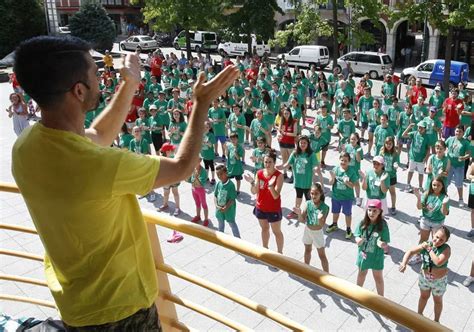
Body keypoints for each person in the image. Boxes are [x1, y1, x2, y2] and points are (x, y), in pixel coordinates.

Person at [11, 35, 239, 329]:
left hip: (75, 303)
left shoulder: (26, 146)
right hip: (122, 309)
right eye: (95, 73)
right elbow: (182, 167)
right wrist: (202, 103)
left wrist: (130, 84)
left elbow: (97, 136)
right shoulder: (100, 166)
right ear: (79, 91)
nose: (103, 77)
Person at [399, 226, 451, 322]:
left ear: (446, 241)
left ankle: (436, 321)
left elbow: (438, 262)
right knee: (423, 297)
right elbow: (410, 251)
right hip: (424, 278)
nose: (438, 240)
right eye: (437, 237)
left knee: (437, 301)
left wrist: (429, 249)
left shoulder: (446, 249)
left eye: (442, 240)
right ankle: (419, 315)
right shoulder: (427, 244)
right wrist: (404, 263)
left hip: (438, 281)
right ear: (433, 234)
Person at [244, 150, 284, 253]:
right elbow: (254, 191)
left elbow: (276, 196)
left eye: (270, 162)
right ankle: (265, 250)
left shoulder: (279, 176)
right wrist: (252, 182)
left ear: (274, 163)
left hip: (273, 209)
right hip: (261, 207)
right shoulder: (259, 173)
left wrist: (271, 186)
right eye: (266, 162)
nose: (267, 164)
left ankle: (280, 254)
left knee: (276, 232)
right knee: (264, 229)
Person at [277, 135, 323, 219]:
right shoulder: (295, 153)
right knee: (298, 196)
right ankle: (296, 211)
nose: (302, 144)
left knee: (309, 198)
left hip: (307, 182)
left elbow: (314, 165)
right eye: (301, 142)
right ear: (298, 143)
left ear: (308, 144)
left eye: (305, 143)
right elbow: (287, 164)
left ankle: (311, 213)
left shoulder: (311, 154)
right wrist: (279, 167)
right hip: (298, 181)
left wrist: (316, 168)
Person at [409, 177, 450, 265]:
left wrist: (444, 204)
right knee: (423, 239)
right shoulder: (427, 194)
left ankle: (434, 258)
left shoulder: (444, 197)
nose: (436, 187)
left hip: (438, 222)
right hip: (425, 220)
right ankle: (418, 256)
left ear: (443, 186)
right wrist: (419, 198)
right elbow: (419, 207)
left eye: (438, 185)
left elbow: (445, 213)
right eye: (434, 185)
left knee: (436, 241)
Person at [355, 199, 390, 296]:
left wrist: (382, 244)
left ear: (380, 212)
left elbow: (385, 242)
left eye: (375, 211)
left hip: (376, 256)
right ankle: (357, 294)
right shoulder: (362, 222)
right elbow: (357, 235)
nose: (371, 213)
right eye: (369, 210)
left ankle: (381, 299)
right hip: (363, 254)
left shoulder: (383, 225)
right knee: (361, 274)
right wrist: (358, 240)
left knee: (378, 277)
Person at [294, 183, 330, 272]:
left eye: (316, 194)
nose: (313, 196)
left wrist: (321, 218)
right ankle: (306, 269)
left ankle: (327, 274)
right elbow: (302, 219)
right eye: (312, 193)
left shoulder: (324, 207)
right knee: (307, 250)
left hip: (317, 233)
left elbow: (321, 225)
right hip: (308, 230)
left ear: (321, 194)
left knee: (322, 255)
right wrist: (299, 213)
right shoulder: (307, 203)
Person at [326, 152, 358, 239]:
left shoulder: (351, 172)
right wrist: (332, 177)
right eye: (342, 160)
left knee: (347, 214)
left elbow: (353, 185)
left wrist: (347, 182)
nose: (343, 162)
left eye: (346, 161)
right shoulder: (335, 169)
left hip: (347, 198)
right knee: (335, 212)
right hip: (336, 196)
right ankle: (334, 224)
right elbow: (330, 182)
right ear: (339, 159)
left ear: (349, 162)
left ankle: (348, 229)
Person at [445, 125, 470, 207]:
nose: (458, 133)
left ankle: (461, 199)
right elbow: (443, 146)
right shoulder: (450, 139)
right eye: (457, 131)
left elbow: (468, 154)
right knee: (446, 182)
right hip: (449, 165)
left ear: (463, 133)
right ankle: (444, 195)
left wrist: (463, 157)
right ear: (454, 131)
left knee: (459, 184)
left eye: (460, 131)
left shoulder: (465, 142)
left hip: (459, 166)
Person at [214, 165, 241, 238]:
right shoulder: (218, 183)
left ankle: (238, 239)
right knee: (220, 223)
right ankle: (221, 237)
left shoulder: (231, 185)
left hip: (229, 210)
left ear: (226, 173)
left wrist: (226, 207)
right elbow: (215, 195)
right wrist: (216, 205)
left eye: (221, 174)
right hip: (219, 209)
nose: (219, 176)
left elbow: (232, 199)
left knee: (231, 223)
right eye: (217, 174)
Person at [402, 122, 429, 193]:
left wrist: (425, 158)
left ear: (425, 129)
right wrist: (409, 127)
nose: (420, 129)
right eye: (419, 127)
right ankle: (408, 184)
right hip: (413, 157)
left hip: (421, 159)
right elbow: (403, 135)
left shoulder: (426, 137)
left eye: (422, 128)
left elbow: (428, 149)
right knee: (410, 171)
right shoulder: (414, 133)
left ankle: (420, 187)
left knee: (421, 173)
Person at [380, 137, 400, 215]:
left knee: (392, 192)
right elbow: (379, 162)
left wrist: (396, 165)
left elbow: (397, 162)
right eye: (387, 143)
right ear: (384, 144)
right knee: (382, 191)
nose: (388, 145)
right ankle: (381, 206)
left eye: (390, 144)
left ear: (393, 144)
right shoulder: (382, 152)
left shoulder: (395, 153)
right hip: (383, 175)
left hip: (392, 176)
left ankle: (393, 206)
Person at [188, 158, 210, 227]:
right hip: (193, 189)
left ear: (200, 161)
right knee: (197, 204)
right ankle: (198, 216)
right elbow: (190, 180)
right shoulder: (193, 169)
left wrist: (195, 176)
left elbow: (200, 184)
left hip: (200, 190)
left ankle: (206, 219)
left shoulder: (203, 172)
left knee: (204, 204)